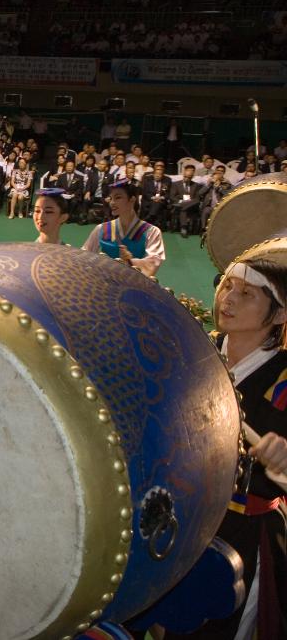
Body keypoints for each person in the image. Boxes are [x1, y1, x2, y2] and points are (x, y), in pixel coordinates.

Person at [167, 254, 286, 640]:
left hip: (243, 537)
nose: (228, 299)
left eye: (247, 293)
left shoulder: (283, 378)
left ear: (281, 314)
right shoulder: (196, 351)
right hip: (178, 521)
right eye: (227, 285)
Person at [81, 179, 165, 276]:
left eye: (118, 198)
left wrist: (131, 262)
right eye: (111, 198)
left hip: (133, 283)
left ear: (132, 200)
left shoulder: (151, 231)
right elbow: (84, 255)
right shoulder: (102, 229)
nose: (112, 202)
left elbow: (154, 262)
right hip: (105, 281)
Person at [169, 164, 202, 237]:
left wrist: (189, 202)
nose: (186, 179)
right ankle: (184, 228)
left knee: (195, 201)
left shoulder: (196, 185)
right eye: (185, 177)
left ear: (192, 177)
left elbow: (197, 198)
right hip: (180, 204)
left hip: (192, 206)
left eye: (189, 177)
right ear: (183, 175)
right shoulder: (176, 184)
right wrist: (182, 201)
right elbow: (172, 197)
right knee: (184, 210)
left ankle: (183, 227)